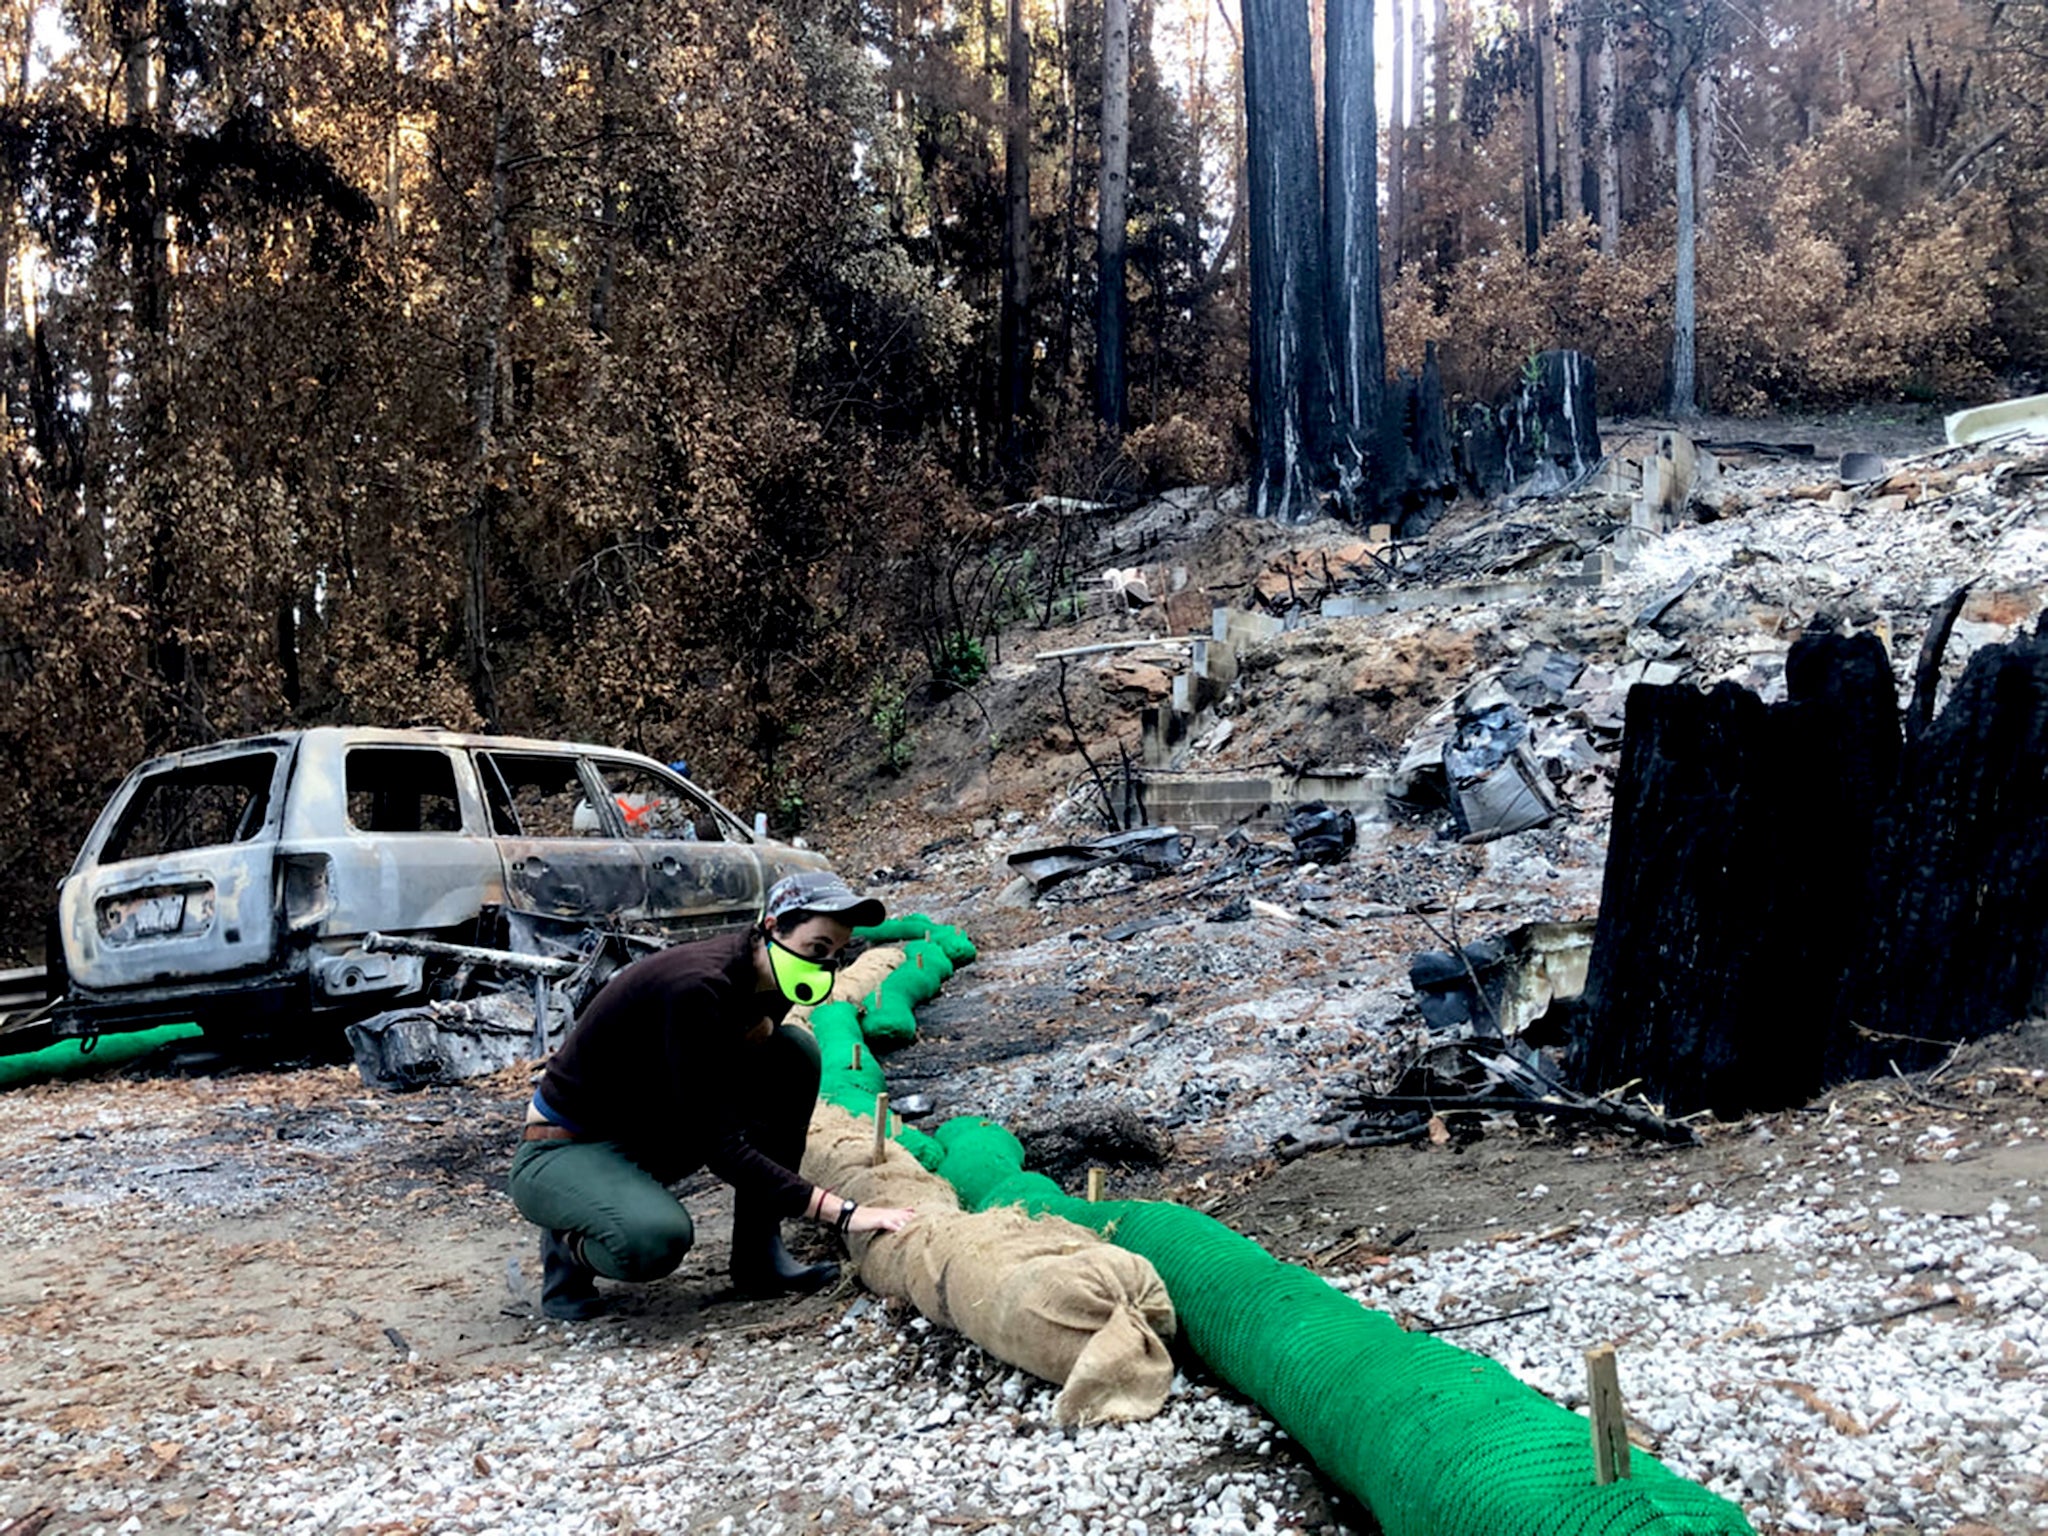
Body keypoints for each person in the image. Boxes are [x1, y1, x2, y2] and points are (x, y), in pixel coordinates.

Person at [508, 871, 917, 1320]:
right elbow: (719, 1147)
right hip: (564, 1146)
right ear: (772, 926)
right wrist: (841, 1212)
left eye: (837, 954)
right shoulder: (698, 988)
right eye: (816, 948)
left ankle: (760, 1259)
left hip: (649, 1122)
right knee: (654, 1241)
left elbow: (731, 1094)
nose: (825, 965)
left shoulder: (767, 976)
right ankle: (569, 1245)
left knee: (793, 1055)